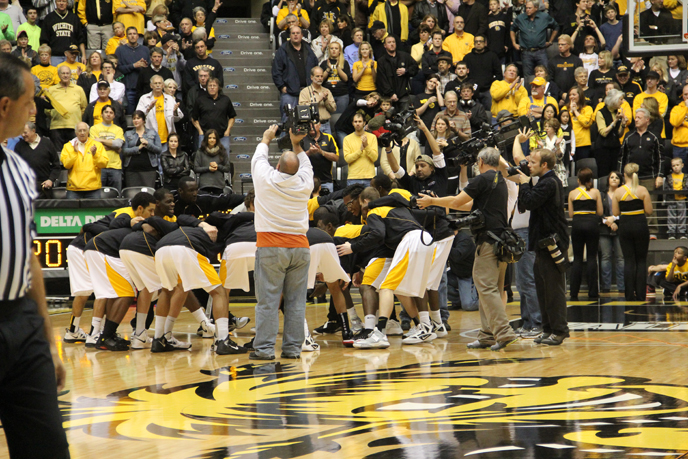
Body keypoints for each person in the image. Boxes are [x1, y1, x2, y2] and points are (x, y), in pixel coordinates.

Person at [0, 53, 70, 459]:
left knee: (47, 447)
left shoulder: (21, 171)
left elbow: (29, 258)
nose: (33, 112)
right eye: (29, 103)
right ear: (5, 106)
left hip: (22, 321)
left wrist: (46, 339)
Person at [417, 148, 519, 350]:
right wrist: (437, 201)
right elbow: (467, 205)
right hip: (501, 242)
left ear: (480, 161)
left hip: (489, 242)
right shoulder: (498, 180)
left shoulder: (482, 180)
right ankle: (487, 335)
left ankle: (504, 332)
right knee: (489, 288)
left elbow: (456, 201)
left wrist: (432, 201)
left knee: (486, 288)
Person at [250, 124, 312, 359]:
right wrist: (297, 143)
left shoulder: (265, 179)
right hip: (300, 248)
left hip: (271, 247)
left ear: (277, 166)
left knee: (268, 302)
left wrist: (266, 138)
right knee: (296, 303)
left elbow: (258, 157)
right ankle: (293, 349)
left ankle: (265, 349)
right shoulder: (305, 183)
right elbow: (306, 164)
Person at [514, 147, 570, 346]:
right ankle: (547, 329)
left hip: (551, 242)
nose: (528, 165)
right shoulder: (543, 181)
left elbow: (529, 201)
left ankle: (560, 330)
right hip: (541, 243)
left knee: (554, 289)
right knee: (542, 288)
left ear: (544, 165)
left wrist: (523, 184)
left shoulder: (549, 183)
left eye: (532, 162)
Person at [620, 108, 664, 238]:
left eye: (639, 117)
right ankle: (634, 230)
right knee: (632, 203)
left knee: (651, 206)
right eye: (635, 117)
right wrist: (622, 177)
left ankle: (652, 232)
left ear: (647, 120)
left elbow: (660, 158)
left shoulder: (654, 136)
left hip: (649, 176)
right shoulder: (628, 136)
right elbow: (621, 158)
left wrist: (660, 175)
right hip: (631, 178)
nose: (636, 119)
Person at [613, 163, 653, 300]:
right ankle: (641, 294)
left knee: (628, 261)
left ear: (624, 174)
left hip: (625, 225)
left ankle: (629, 294)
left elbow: (615, 212)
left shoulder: (618, 192)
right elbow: (649, 211)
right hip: (640, 225)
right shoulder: (642, 190)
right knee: (641, 261)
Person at [568, 167, 603, 300]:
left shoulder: (572, 193)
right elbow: (600, 212)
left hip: (577, 224)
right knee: (591, 257)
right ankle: (593, 291)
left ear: (578, 180)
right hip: (592, 224)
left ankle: (573, 292)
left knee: (577, 258)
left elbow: (571, 214)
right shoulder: (595, 192)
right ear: (590, 180)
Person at [272, 25, 318, 123]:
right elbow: (276, 70)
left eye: (298, 33)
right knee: (287, 122)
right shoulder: (282, 50)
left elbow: (315, 66)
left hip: (307, 92)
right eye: (293, 33)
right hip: (289, 93)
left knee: (307, 123)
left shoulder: (308, 49)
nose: (295, 35)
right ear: (290, 35)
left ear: (302, 35)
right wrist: (281, 86)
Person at [510, 0, 559, 78]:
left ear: (536, 8)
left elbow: (556, 27)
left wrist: (550, 41)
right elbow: (512, 29)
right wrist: (514, 43)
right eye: (526, 8)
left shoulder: (544, 17)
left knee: (545, 75)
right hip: (526, 52)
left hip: (541, 51)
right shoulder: (520, 18)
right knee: (528, 77)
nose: (527, 10)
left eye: (529, 8)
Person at [60, 121, 108, 198]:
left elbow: (104, 164)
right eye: (80, 130)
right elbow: (66, 165)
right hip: (73, 189)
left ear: (88, 132)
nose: (82, 133)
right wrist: (74, 153)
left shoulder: (97, 145)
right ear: (76, 132)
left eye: (84, 130)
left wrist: (95, 154)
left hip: (93, 188)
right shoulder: (68, 146)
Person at [13, 121, 60, 199]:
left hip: (44, 188)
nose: (22, 135)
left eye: (25, 132)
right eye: (21, 133)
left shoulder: (47, 143)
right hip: (26, 189)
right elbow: (15, 168)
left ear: (33, 131)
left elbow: (56, 166)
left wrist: (51, 180)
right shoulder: (19, 146)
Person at [46, 65, 88, 150]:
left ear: (71, 75)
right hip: (56, 126)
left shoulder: (78, 89)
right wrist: (54, 114)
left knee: (75, 152)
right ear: (59, 75)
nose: (65, 75)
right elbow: (46, 108)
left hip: (74, 127)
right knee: (58, 153)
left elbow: (84, 107)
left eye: (67, 73)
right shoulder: (51, 90)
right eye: (63, 73)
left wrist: (77, 116)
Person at [136, 74, 182, 149]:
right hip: (150, 138)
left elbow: (178, 118)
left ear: (163, 85)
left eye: (159, 83)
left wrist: (175, 111)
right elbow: (137, 117)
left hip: (167, 139)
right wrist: (148, 109)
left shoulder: (170, 99)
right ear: (151, 86)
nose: (158, 85)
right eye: (155, 83)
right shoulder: (144, 98)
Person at [122, 109, 162, 188]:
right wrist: (138, 148)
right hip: (132, 169)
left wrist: (148, 144)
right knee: (132, 193)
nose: (135, 120)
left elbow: (159, 150)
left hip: (148, 169)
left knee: (148, 192)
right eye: (134, 118)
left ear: (143, 120)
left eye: (138, 118)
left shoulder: (153, 133)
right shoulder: (128, 133)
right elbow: (124, 151)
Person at [599, 171, 625, 293]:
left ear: (620, 181)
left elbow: (625, 212)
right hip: (604, 229)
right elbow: (597, 212)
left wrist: (614, 219)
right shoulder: (601, 194)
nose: (614, 179)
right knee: (605, 257)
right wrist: (607, 222)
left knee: (620, 257)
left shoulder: (623, 193)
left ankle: (622, 286)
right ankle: (606, 286)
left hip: (620, 228)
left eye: (617, 178)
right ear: (608, 180)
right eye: (612, 177)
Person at [90, 104, 126, 191]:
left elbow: (118, 144)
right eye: (106, 112)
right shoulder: (94, 128)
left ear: (114, 116)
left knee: (116, 195)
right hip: (99, 167)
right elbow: (95, 146)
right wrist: (112, 146)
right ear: (101, 114)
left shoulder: (118, 129)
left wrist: (101, 140)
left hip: (115, 167)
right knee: (98, 194)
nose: (108, 114)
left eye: (111, 112)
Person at [116, 26, 151, 114]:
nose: (132, 36)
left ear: (138, 36)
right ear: (126, 36)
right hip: (128, 86)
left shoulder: (145, 49)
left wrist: (145, 65)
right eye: (130, 34)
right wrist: (133, 66)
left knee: (144, 112)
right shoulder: (120, 50)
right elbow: (118, 69)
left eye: (134, 34)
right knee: (130, 112)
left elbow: (150, 66)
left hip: (143, 88)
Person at [40, 0, 86, 66]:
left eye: (64, 1)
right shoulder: (49, 18)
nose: (61, 3)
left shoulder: (74, 18)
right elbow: (44, 40)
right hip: (54, 56)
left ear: (67, 3)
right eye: (59, 1)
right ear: (55, 2)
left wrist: (83, 55)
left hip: (72, 55)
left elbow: (81, 39)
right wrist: (47, 56)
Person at [462, 34, 502, 111]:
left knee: (490, 114)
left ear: (485, 43)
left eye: (480, 41)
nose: (478, 43)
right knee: (472, 113)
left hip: (488, 91)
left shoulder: (492, 56)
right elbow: (464, 75)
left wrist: (492, 85)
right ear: (474, 43)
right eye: (476, 41)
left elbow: (499, 74)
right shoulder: (467, 58)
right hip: (472, 92)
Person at [594, 88, 626, 178]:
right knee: (605, 175)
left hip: (615, 148)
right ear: (614, 100)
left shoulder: (617, 112)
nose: (622, 102)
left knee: (615, 174)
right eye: (621, 99)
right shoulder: (600, 113)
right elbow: (604, 133)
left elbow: (618, 134)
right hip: (603, 149)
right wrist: (615, 121)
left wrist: (623, 125)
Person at [299, 66, 336, 133]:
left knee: (328, 143)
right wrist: (319, 99)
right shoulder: (304, 92)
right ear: (311, 77)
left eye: (321, 76)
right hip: (312, 126)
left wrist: (325, 100)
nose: (320, 78)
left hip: (326, 124)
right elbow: (303, 109)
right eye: (317, 76)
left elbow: (333, 109)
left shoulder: (326, 91)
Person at [303, 121, 338, 192]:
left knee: (327, 203)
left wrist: (322, 152)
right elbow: (296, 158)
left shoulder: (328, 137)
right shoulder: (302, 138)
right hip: (307, 181)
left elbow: (336, 158)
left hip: (326, 181)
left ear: (319, 125)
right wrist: (309, 152)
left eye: (314, 124)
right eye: (310, 124)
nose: (312, 127)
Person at [343, 113, 378, 185]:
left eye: (360, 121)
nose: (357, 124)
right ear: (352, 123)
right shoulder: (347, 139)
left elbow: (374, 158)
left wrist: (366, 146)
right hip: (353, 178)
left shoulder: (372, 137)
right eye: (355, 122)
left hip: (369, 177)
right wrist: (360, 150)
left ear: (364, 123)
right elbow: (347, 159)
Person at [664, 157, 688, 240]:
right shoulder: (668, 177)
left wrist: (680, 191)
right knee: (671, 216)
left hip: (682, 199)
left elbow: (687, 188)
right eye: (673, 165)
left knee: (682, 216)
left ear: (682, 165)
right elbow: (666, 188)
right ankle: (671, 233)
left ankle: (682, 232)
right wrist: (671, 191)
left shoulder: (685, 177)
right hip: (671, 199)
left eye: (677, 165)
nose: (675, 167)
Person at [568, 85, 594, 161]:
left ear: (580, 96)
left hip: (583, 145)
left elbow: (586, 123)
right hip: (569, 144)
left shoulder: (587, 109)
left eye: (574, 94)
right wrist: (570, 111)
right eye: (570, 95)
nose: (571, 97)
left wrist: (575, 111)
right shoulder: (565, 109)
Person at [670, 84, 688, 173]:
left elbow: (679, 122)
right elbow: (675, 122)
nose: (687, 97)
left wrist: (684, 123)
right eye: (685, 94)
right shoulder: (676, 109)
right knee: (681, 176)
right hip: (679, 148)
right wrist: (686, 108)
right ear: (682, 96)